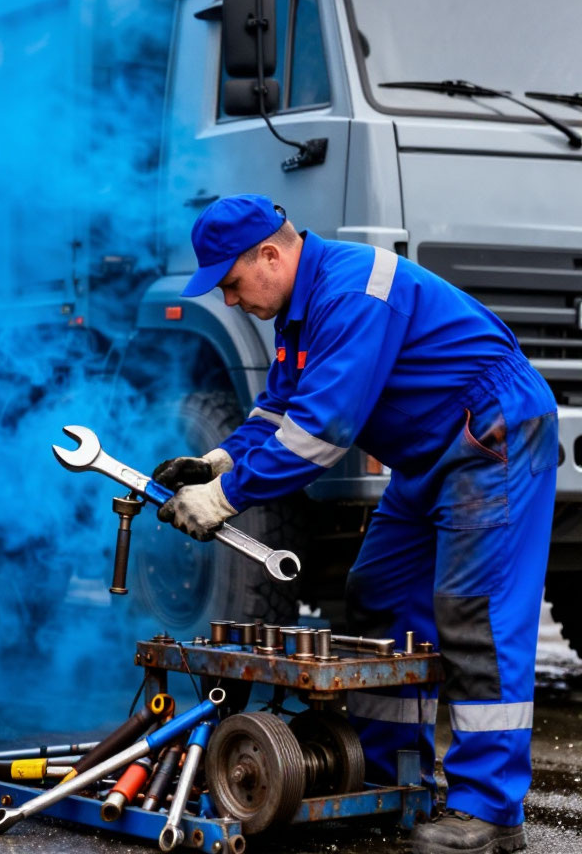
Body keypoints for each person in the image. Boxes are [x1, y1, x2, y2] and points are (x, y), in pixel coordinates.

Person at [152, 193, 557, 854]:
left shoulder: (353, 293)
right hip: (431, 452)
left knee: (475, 616)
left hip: (493, 437)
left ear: (270, 255)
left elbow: (322, 434)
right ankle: (390, 775)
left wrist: (224, 498)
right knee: (381, 593)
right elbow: (279, 410)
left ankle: (490, 813)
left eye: (231, 283)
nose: (229, 299)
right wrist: (218, 460)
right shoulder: (299, 308)